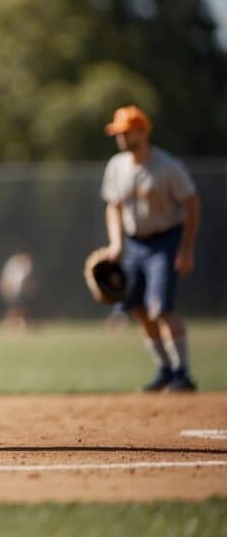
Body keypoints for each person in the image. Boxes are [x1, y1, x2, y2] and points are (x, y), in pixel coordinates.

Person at [99, 105, 201, 392]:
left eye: (125, 131)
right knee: (138, 309)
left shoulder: (167, 167)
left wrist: (186, 248)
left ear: (142, 131)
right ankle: (164, 370)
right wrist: (116, 243)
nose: (120, 137)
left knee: (161, 308)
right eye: (117, 132)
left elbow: (192, 204)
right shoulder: (117, 166)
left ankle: (183, 374)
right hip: (134, 243)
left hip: (165, 241)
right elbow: (113, 207)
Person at [0, 249, 37, 332]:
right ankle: (11, 323)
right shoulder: (12, 263)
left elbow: (28, 280)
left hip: (21, 291)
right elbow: (5, 280)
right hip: (12, 290)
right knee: (15, 308)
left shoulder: (27, 263)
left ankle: (21, 323)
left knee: (22, 307)